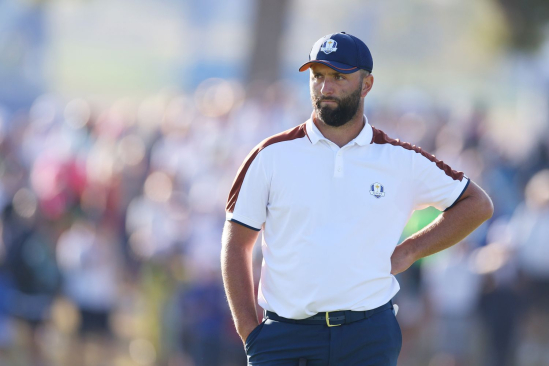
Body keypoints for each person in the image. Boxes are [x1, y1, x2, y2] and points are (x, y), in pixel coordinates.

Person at [221, 32, 493, 366]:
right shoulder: (270, 155)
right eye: (318, 76)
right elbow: (237, 244)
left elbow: (477, 205)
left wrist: (410, 250)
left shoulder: (399, 159)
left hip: (367, 336)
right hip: (284, 337)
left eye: (338, 77)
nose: (326, 87)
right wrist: (250, 331)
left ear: (367, 84)